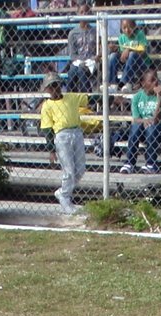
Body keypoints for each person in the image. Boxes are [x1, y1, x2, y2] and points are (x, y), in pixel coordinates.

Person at [39, 72, 95, 212]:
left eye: (56, 85)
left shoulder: (71, 97)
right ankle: (65, 196)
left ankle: (63, 191)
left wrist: (109, 98)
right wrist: (51, 149)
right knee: (68, 169)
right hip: (62, 136)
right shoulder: (47, 106)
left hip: (76, 132)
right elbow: (47, 129)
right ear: (47, 90)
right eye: (51, 87)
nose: (55, 89)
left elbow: (90, 99)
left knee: (80, 169)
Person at [122, 66, 161, 173]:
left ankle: (151, 164)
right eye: (151, 80)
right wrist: (144, 121)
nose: (155, 83)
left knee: (151, 127)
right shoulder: (137, 97)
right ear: (143, 83)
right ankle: (130, 163)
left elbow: (157, 120)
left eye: (156, 79)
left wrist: (159, 98)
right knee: (135, 126)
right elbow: (135, 119)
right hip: (141, 130)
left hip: (159, 131)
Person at [105, 16, 148, 89]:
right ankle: (113, 83)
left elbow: (143, 50)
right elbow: (122, 56)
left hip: (140, 62)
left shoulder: (140, 34)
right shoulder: (121, 37)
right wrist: (115, 49)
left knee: (132, 54)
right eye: (124, 28)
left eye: (130, 27)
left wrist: (129, 49)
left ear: (134, 26)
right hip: (127, 63)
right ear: (121, 28)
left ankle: (126, 83)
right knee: (113, 56)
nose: (127, 30)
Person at [62, 1, 95, 92]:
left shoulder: (95, 31)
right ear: (77, 14)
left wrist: (92, 59)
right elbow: (72, 54)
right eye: (81, 12)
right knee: (72, 71)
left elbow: (98, 49)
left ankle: (87, 96)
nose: (84, 14)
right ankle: (71, 95)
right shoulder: (73, 33)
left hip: (91, 61)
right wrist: (80, 61)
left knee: (81, 69)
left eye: (86, 12)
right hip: (78, 61)